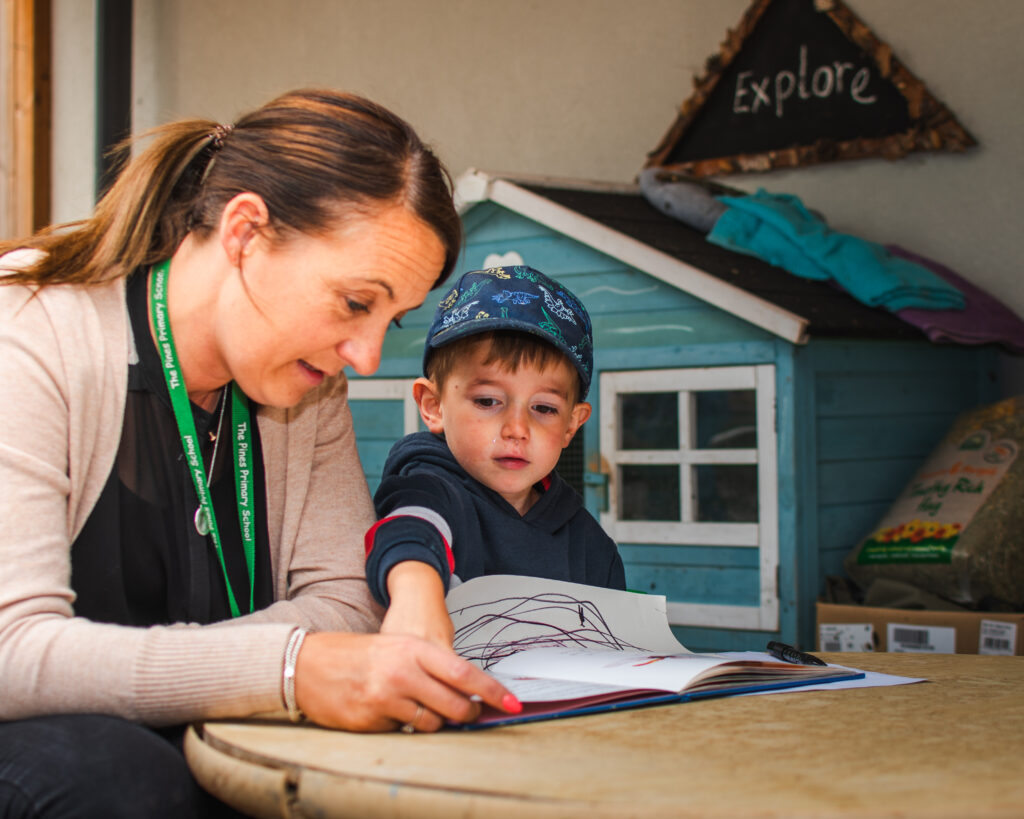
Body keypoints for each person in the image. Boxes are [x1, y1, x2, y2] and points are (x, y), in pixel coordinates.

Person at [0, 89, 518, 818]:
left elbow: (348, 605)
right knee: (120, 778)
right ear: (244, 233)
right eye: (353, 302)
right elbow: (14, 654)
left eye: (390, 321)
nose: (365, 357)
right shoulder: (29, 330)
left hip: (185, 737)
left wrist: (221, 673)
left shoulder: (312, 385)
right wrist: (286, 667)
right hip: (60, 757)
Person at [364, 266, 626, 647]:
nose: (516, 428)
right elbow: (410, 529)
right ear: (433, 406)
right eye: (488, 401)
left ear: (572, 424)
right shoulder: (429, 488)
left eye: (544, 408)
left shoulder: (591, 545)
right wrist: (415, 590)